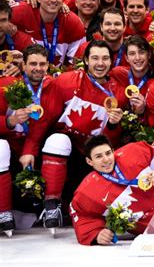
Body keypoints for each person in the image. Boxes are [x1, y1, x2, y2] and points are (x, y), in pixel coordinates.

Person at [19, 40, 127, 230]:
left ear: (111, 62)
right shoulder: (66, 81)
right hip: (65, 149)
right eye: (94, 58)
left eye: (104, 58)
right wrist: (29, 149)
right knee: (57, 140)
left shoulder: (117, 92)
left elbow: (113, 140)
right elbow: (45, 118)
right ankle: (51, 205)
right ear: (86, 60)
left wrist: (113, 124)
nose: (100, 63)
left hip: (90, 157)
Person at [69, 135, 154, 245]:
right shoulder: (87, 191)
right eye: (98, 156)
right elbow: (81, 214)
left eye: (108, 153)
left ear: (113, 151)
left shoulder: (134, 152)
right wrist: (96, 234)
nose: (106, 160)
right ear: (89, 161)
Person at [0, 44, 52, 235]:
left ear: (48, 66)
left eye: (42, 64)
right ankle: (3, 211)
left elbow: (46, 122)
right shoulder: (5, 85)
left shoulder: (52, 87)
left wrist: (29, 149)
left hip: (35, 148)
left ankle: (51, 207)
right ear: (23, 65)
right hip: (11, 148)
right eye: (33, 64)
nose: (38, 68)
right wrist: (10, 121)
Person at [11, 0, 86, 67]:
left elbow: (77, 64)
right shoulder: (21, 11)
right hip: (25, 74)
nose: (53, 0)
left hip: (58, 76)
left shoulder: (73, 22)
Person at [110, 35, 154, 116]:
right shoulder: (117, 73)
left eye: (141, 52)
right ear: (126, 58)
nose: (137, 58)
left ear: (149, 54)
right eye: (132, 54)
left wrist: (142, 112)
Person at [0, 0, 34, 77]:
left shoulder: (23, 40)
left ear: (9, 21)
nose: (0, 25)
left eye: (3, 20)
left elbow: (42, 66)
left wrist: (24, 66)